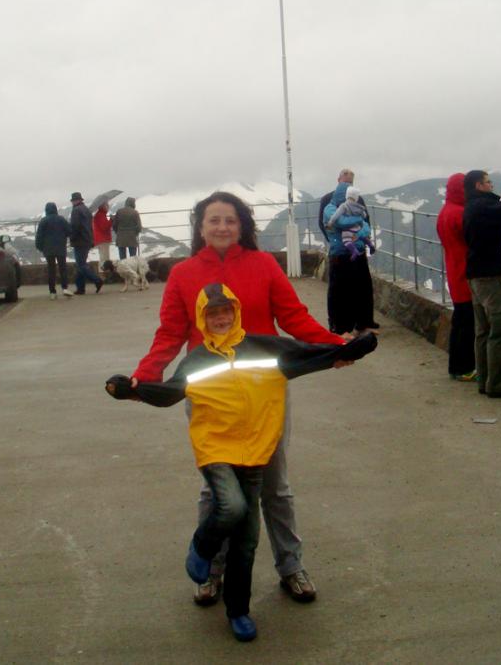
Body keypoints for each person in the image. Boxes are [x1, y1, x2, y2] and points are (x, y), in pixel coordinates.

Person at [107, 283, 376, 642]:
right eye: (212, 314)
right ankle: (203, 547)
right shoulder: (197, 360)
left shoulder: (265, 348)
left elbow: (307, 354)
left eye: (225, 311)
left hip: (256, 451)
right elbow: (170, 393)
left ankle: (238, 611)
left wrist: (348, 349)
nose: (220, 319)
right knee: (231, 507)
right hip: (216, 449)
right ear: (202, 319)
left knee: (246, 541)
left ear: (235, 312)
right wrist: (133, 390)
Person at [130, 190, 353, 606]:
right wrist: (145, 377)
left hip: (264, 392)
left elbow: (294, 317)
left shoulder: (263, 265)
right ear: (201, 227)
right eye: (213, 220)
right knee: (216, 491)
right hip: (209, 395)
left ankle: (291, 566)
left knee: (275, 486)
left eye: (230, 220)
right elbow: (170, 333)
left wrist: (335, 346)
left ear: (242, 226)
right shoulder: (183, 274)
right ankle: (211, 572)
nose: (222, 227)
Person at [463, 171, 501, 397]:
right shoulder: (482, 207)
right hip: (490, 276)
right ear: (479, 185)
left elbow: (497, 223)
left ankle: (485, 380)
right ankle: (499, 384)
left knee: (483, 331)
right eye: (488, 182)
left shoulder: (473, 207)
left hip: (476, 275)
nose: (491, 185)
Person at [323, 182, 379, 335]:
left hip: (358, 252)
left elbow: (366, 227)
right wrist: (359, 221)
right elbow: (341, 222)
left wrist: (360, 231)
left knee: (362, 289)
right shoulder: (330, 209)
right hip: (340, 255)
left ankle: (363, 323)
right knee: (340, 293)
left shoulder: (352, 208)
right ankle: (340, 328)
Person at [436, 174, 476, 380]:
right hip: (465, 271)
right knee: (467, 324)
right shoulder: (459, 213)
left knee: (460, 321)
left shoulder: (445, 211)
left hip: (454, 270)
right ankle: (465, 368)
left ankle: (456, 367)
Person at [34, 202, 73, 299]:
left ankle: (52, 292)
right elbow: (69, 231)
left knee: (51, 270)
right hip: (60, 248)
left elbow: (39, 236)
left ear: (46, 210)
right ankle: (65, 288)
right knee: (62, 268)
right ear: (55, 209)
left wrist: (40, 247)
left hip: (48, 249)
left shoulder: (43, 221)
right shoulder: (61, 219)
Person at [326, 185, 375, 260]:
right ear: (356, 198)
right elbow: (364, 215)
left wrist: (330, 222)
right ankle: (370, 245)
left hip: (348, 229)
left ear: (346, 195)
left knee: (346, 240)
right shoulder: (359, 207)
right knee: (362, 236)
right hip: (358, 227)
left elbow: (336, 215)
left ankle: (354, 251)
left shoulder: (344, 206)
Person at [69, 192, 103, 295]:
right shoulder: (86, 210)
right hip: (87, 240)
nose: (73, 202)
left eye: (73, 200)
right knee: (81, 264)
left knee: (81, 264)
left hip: (80, 241)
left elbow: (75, 226)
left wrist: (71, 238)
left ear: (75, 201)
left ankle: (97, 280)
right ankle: (80, 288)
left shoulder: (76, 211)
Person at [92, 201, 113, 271]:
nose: (108, 206)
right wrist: (111, 220)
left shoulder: (100, 214)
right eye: (106, 205)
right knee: (104, 258)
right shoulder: (101, 215)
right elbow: (104, 227)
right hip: (103, 239)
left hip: (100, 239)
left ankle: (103, 271)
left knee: (103, 257)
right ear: (103, 206)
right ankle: (103, 272)